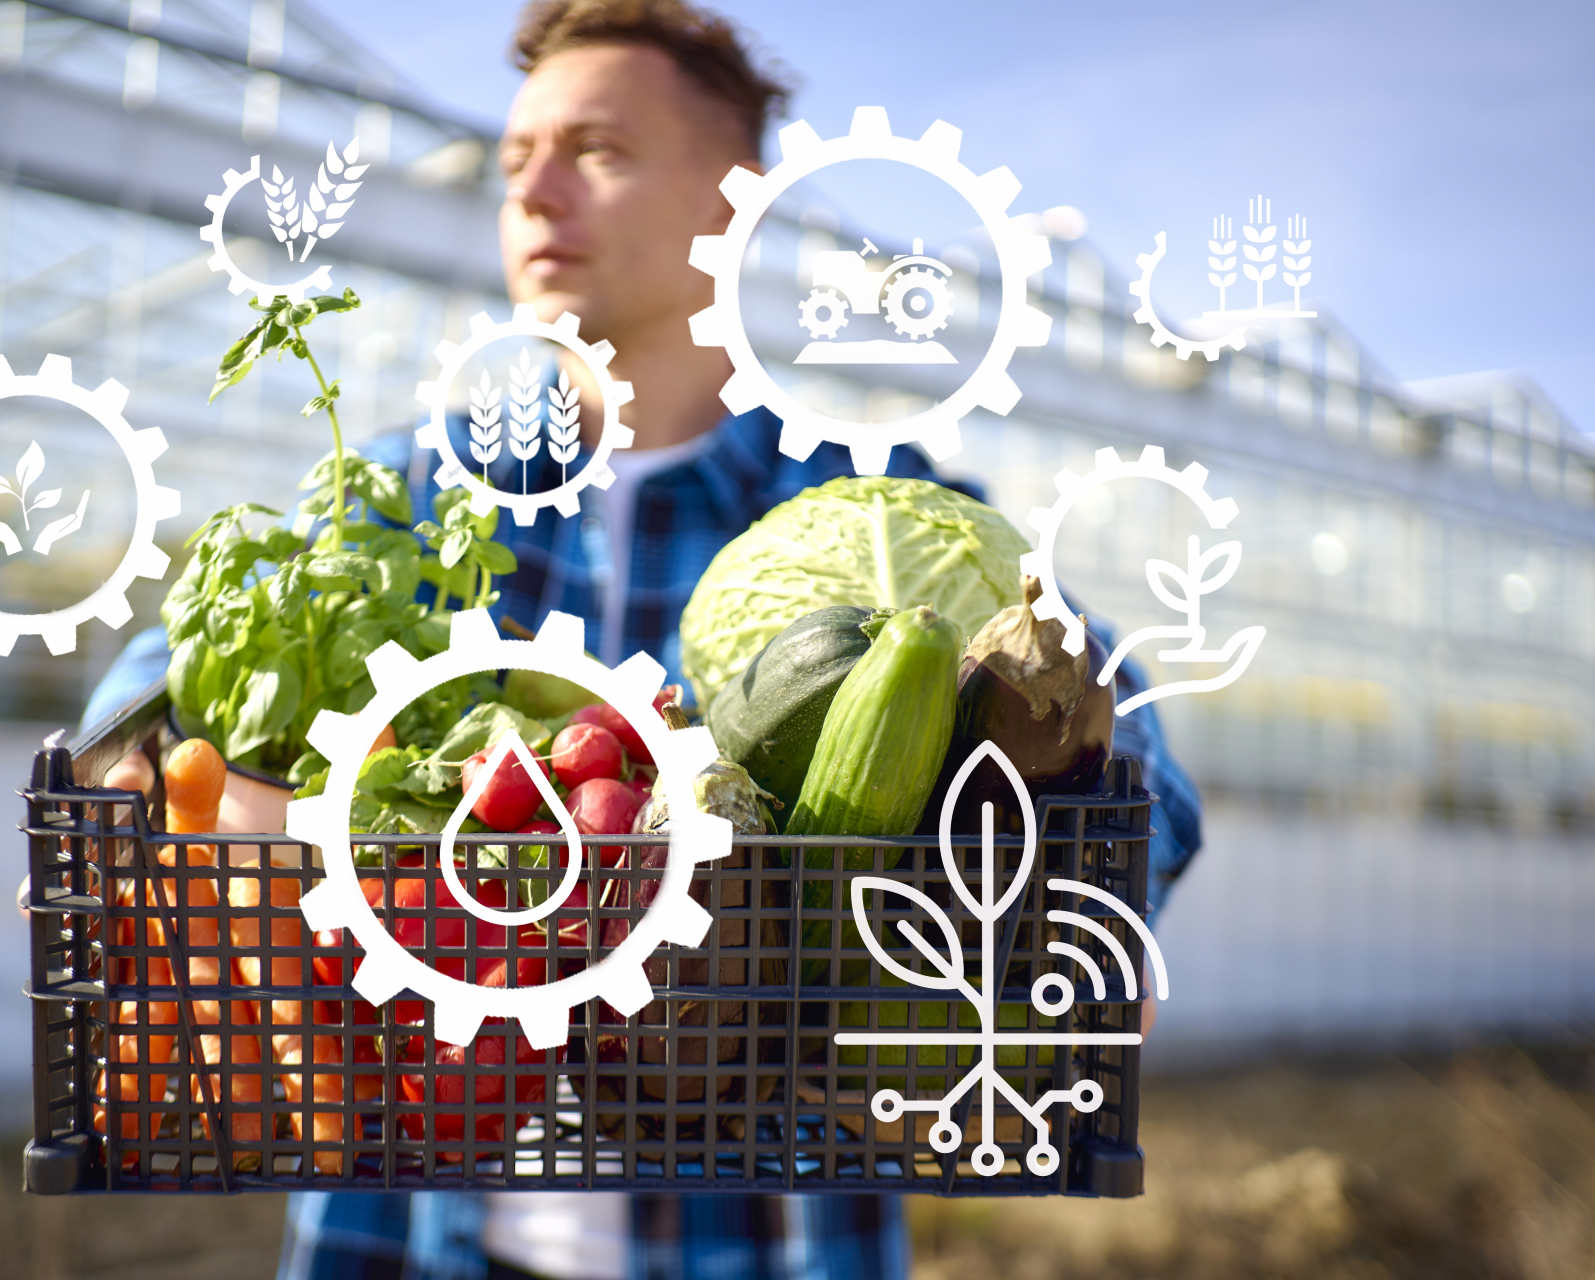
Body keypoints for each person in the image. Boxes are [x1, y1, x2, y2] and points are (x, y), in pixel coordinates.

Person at [82, 3, 1201, 1277]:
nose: (535, 191)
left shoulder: (872, 506)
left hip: (771, 1230)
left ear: (735, 205)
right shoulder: (394, 497)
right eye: (515, 162)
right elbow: (154, 690)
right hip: (404, 1224)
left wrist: (1110, 897)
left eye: (597, 149)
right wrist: (120, 792)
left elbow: (1121, 719)